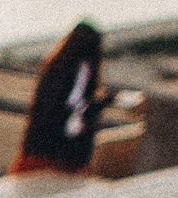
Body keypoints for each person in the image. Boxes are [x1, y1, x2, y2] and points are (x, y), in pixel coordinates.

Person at [13, 22, 110, 176]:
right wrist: (103, 102)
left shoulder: (54, 66)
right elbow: (76, 105)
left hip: (37, 146)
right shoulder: (84, 69)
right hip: (66, 153)